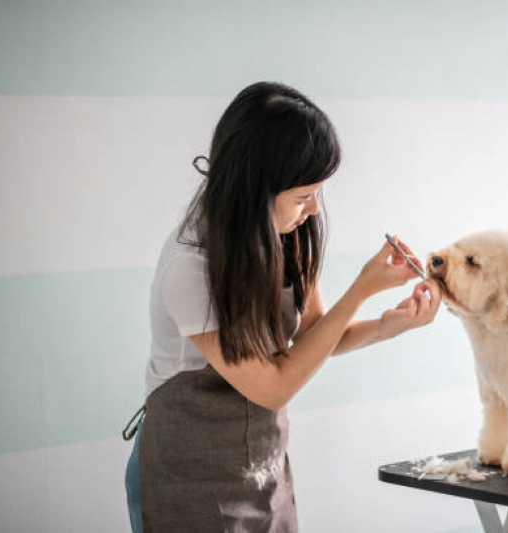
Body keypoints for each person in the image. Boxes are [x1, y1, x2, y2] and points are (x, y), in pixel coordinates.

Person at [124, 81, 441, 532]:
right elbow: (273, 386)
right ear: (254, 189)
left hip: (258, 468)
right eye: (301, 196)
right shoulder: (190, 267)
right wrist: (360, 290)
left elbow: (312, 335)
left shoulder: (285, 235)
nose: (313, 209)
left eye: (317, 192)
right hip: (184, 473)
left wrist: (387, 325)